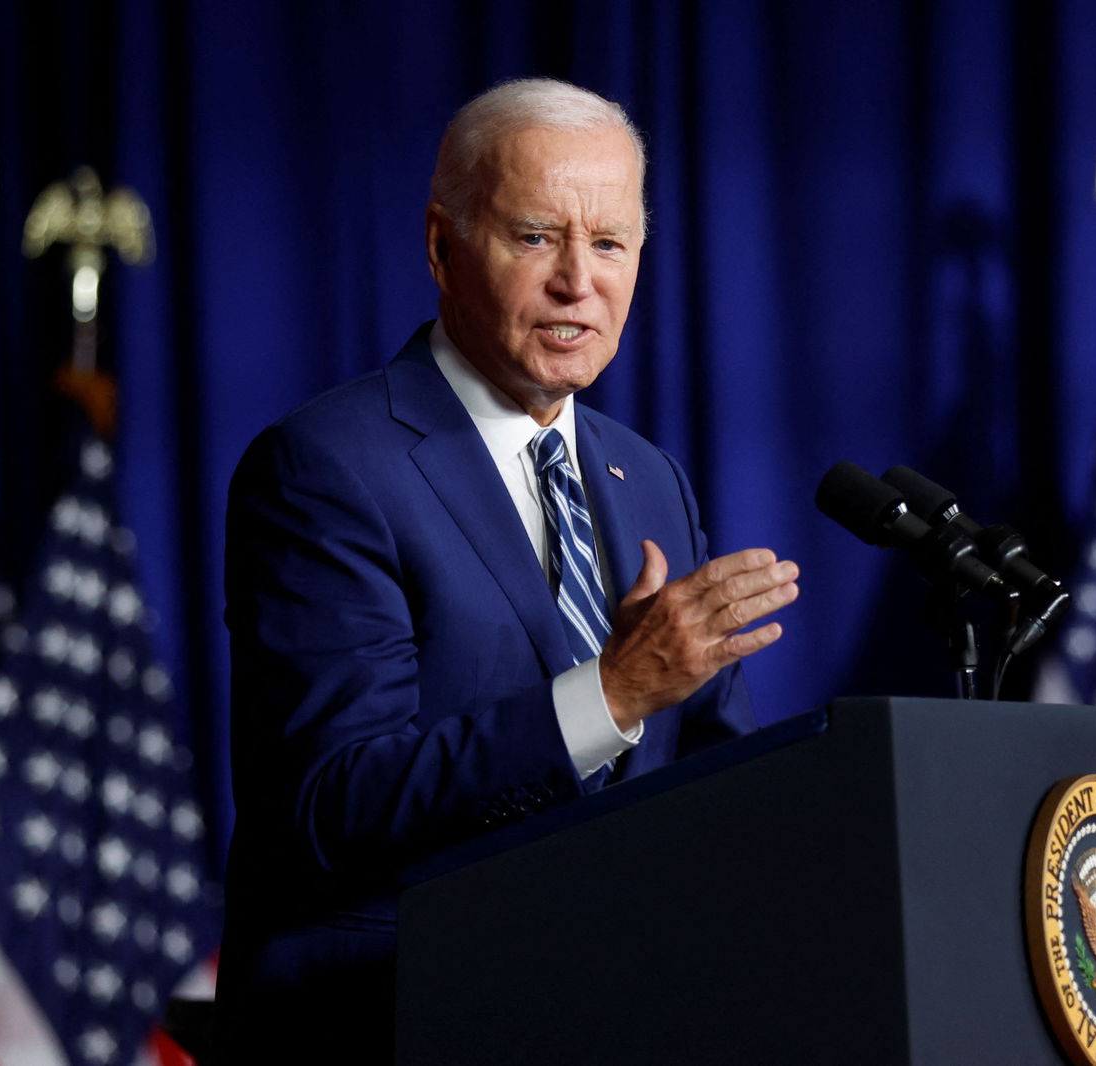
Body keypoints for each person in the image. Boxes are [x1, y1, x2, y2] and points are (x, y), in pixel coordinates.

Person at [210, 78, 799, 1059]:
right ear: (442, 246)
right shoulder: (326, 468)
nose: (578, 281)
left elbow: (707, 773)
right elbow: (330, 804)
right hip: (384, 1024)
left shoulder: (650, 478)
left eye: (609, 243)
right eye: (535, 237)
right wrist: (610, 694)